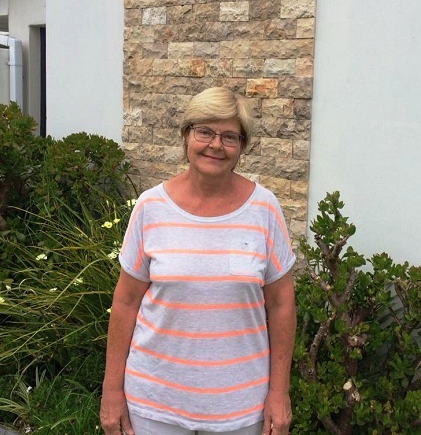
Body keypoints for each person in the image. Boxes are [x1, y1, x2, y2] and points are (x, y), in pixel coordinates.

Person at [100, 87, 297, 435]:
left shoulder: (265, 209)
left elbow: (281, 305)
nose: (215, 145)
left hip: (239, 406)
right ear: (186, 136)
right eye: (204, 131)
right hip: (154, 404)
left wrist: (279, 393)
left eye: (229, 136)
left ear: (242, 147)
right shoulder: (150, 207)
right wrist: (111, 391)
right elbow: (126, 301)